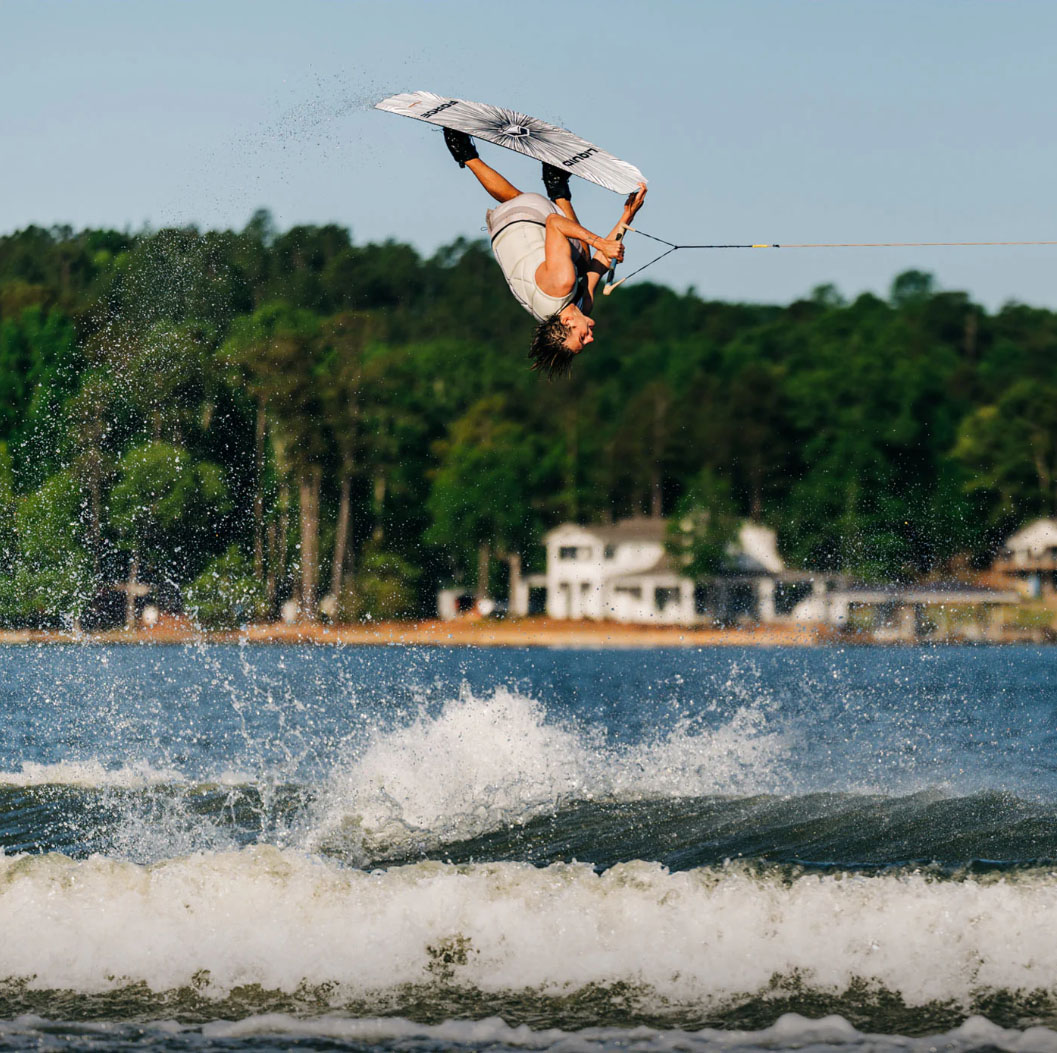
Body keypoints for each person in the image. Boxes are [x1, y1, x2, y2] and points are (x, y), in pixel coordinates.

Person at [443, 128, 647, 377]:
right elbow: (601, 262)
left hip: (526, 220)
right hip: (501, 228)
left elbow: (555, 223)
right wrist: (629, 214)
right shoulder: (579, 306)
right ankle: (462, 149)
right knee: (584, 262)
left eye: (581, 339)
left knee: (581, 253)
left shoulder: (561, 285)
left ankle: (556, 187)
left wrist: (599, 243)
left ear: (568, 323)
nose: (590, 339)